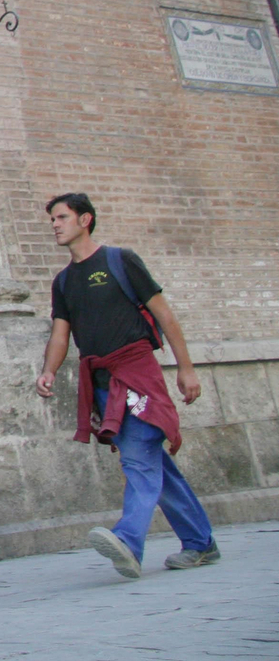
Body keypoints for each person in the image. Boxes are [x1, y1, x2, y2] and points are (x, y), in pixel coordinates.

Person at [35, 192, 217, 578]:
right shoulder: (63, 281)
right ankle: (201, 543)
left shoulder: (120, 260)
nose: (54, 224)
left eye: (61, 217)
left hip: (138, 376)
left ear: (85, 220)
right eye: (52, 219)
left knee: (138, 456)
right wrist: (49, 370)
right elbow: (60, 334)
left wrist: (186, 369)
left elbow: (164, 314)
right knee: (152, 461)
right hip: (103, 384)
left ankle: (129, 541)